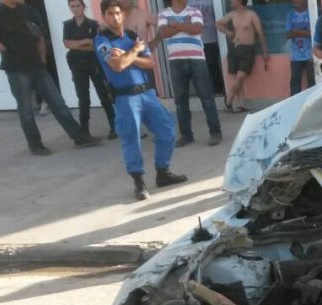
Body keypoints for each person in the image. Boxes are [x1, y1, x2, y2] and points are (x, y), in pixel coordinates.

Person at [0, 0, 101, 155]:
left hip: (37, 66)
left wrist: (42, 59)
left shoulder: (26, 10)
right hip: (16, 68)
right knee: (26, 109)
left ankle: (79, 136)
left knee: (58, 102)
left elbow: (39, 35)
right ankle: (35, 144)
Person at [95, 0, 187, 200]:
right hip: (125, 97)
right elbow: (117, 66)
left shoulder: (131, 36)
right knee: (132, 139)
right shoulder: (103, 40)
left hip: (146, 93)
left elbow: (150, 63)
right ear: (104, 16)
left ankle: (162, 172)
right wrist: (135, 51)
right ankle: (139, 182)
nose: (116, 17)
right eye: (110, 14)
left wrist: (131, 55)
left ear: (123, 15)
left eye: (118, 13)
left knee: (167, 129)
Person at [157, 0, 222, 146]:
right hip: (176, 61)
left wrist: (174, 24)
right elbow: (163, 33)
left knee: (207, 98)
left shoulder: (194, 11)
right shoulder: (163, 13)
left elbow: (197, 29)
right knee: (180, 101)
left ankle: (215, 132)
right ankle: (186, 135)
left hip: (197, 59)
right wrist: (185, 25)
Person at [62, 0, 116, 139]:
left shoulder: (93, 24)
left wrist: (79, 44)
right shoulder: (68, 25)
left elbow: (96, 45)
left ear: (83, 7)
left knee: (104, 96)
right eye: (72, 6)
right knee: (83, 99)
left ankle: (114, 127)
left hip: (94, 64)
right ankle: (84, 131)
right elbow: (67, 44)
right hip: (77, 65)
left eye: (78, 6)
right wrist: (85, 41)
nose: (75, 9)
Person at [216, 0, 268, 112]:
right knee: (236, 77)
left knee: (240, 76)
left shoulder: (251, 15)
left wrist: (265, 51)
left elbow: (260, 33)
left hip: (247, 49)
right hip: (234, 48)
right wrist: (229, 33)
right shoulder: (232, 14)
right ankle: (241, 104)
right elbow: (218, 23)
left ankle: (229, 98)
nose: (231, 1)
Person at [187, 0, 224, 96]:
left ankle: (218, 90)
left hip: (211, 38)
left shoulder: (213, 1)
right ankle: (203, 91)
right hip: (194, 39)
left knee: (212, 66)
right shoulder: (187, 2)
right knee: (198, 68)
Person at [285, 0, 313, 96]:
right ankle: (293, 106)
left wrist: (296, 31)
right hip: (295, 56)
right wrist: (304, 32)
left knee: (312, 82)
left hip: (311, 55)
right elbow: (288, 35)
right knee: (295, 83)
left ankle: (313, 104)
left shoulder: (311, 13)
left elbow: (313, 34)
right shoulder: (290, 14)